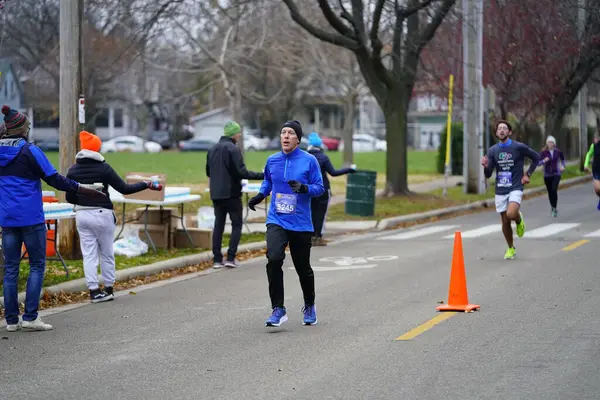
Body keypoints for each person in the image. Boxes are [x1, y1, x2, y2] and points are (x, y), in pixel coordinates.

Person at [0, 106, 105, 332]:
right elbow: (55, 179)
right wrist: (83, 189)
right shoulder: (30, 151)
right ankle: (30, 317)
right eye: (27, 127)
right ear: (22, 129)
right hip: (31, 219)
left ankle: (11, 321)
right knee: (37, 265)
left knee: (11, 269)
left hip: (7, 220)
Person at [66, 131, 163, 303]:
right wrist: (146, 184)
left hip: (82, 215)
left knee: (89, 255)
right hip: (102, 215)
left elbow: (69, 197)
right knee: (106, 253)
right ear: (97, 149)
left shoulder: (73, 170)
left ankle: (94, 292)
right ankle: (109, 289)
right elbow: (124, 189)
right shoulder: (104, 168)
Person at [248, 120, 324, 327]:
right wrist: (260, 195)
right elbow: (268, 181)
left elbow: (320, 188)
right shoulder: (272, 160)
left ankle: (309, 305)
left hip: (300, 223)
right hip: (277, 218)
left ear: (298, 139)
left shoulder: (309, 161)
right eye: (283, 132)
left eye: (291, 133)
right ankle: (278, 309)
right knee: (273, 258)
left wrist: (304, 189)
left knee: (302, 268)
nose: (286, 136)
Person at [206, 121, 264, 268]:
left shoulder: (212, 149)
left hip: (216, 193)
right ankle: (231, 258)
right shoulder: (233, 149)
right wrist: (263, 175)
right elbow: (241, 172)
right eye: (238, 132)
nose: (240, 135)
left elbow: (208, 172)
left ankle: (217, 259)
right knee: (236, 225)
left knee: (218, 225)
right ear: (234, 134)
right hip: (231, 193)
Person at [481, 120, 541, 260]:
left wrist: (527, 174)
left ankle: (519, 220)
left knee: (511, 213)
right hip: (500, 188)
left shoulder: (518, 147)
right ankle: (511, 248)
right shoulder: (492, 150)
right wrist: (485, 166)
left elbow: (536, 158)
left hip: (515, 186)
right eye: (499, 129)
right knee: (505, 222)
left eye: (504, 128)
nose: (502, 130)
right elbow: (488, 174)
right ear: (496, 133)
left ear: (509, 132)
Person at [306, 132, 355, 246]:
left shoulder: (305, 158)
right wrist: (349, 169)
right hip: (323, 189)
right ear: (320, 146)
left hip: (310, 189)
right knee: (321, 214)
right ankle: (319, 237)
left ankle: (312, 237)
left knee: (311, 213)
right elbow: (333, 173)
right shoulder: (323, 157)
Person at [538, 135, 565, 217]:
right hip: (547, 175)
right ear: (547, 143)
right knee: (550, 192)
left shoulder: (558, 151)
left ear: (554, 144)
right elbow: (538, 163)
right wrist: (543, 161)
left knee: (554, 189)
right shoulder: (543, 152)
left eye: (551, 142)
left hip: (556, 173)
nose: (550, 144)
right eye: (549, 142)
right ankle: (553, 207)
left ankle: (554, 207)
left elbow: (563, 159)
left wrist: (563, 166)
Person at [583, 134, 600, 210]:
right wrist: (586, 165)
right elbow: (589, 154)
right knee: (597, 189)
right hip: (596, 169)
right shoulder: (594, 146)